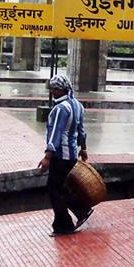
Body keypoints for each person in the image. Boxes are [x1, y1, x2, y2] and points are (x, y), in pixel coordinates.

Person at [37, 74, 93, 236]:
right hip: (72, 156)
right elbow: (81, 130)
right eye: (52, 88)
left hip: (60, 156)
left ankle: (64, 225)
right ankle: (82, 210)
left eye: (55, 88)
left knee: (54, 190)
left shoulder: (60, 109)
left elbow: (56, 133)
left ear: (62, 89)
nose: (52, 91)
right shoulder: (77, 105)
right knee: (64, 187)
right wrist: (83, 148)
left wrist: (47, 156)